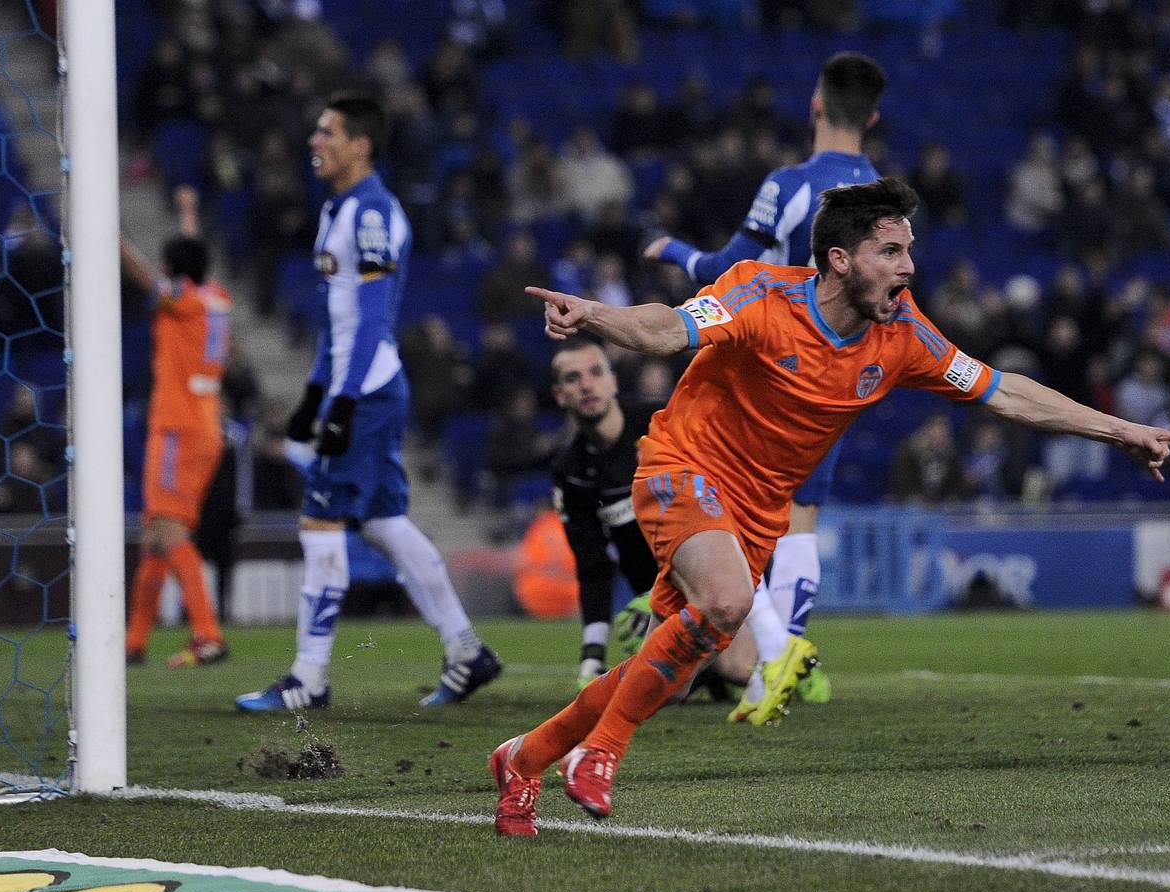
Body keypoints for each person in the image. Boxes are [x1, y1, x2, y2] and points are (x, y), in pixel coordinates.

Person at [490, 177, 1170, 834]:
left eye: (909, 251)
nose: (908, 268)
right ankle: (599, 754)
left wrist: (1120, 429)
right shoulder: (761, 296)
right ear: (838, 259)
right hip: (684, 467)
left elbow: (1004, 390)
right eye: (890, 252)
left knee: (672, 675)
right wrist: (595, 315)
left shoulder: (905, 337)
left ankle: (526, 756)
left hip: (761, 513)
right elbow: (667, 328)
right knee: (729, 602)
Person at [236, 92, 502, 712]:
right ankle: (466, 650)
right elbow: (340, 318)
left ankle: (309, 678)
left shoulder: (373, 211)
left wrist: (346, 402)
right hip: (358, 385)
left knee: (320, 521)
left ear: (361, 144)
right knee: (384, 523)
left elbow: (377, 315)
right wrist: (312, 391)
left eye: (327, 132)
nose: (314, 142)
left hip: (371, 389)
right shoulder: (337, 209)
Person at [643, 51, 888, 721]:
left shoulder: (786, 185)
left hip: (767, 369)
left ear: (815, 105)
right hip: (838, 373)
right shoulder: (885, 199)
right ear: (872, 116)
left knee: (734, 514)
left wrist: (671, 252)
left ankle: (764, 658)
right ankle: (776, 668)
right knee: (801, 519)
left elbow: (729, 265)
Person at [549, 337, 755, 692]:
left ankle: (782, 650)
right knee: (663, 684)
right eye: (572, 378)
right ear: (559, 395)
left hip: (717, 568)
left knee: (739, 668)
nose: (586, 385)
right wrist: (592, 657)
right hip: (659, 598)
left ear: (613, 381)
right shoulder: (571, 472)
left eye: (595, 373)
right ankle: (704, 669)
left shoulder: (661, 421)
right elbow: (593, 567)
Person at [122, 186, 233, 669]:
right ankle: (133, 642)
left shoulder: (180, 301)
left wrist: (108, 235)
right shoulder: (216, 297)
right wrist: (188, 211)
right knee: (155, 535)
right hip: (206, 427)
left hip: (175, 429)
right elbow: (191, 260)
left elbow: (147, 276)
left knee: (168, 531)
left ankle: (207, 633)